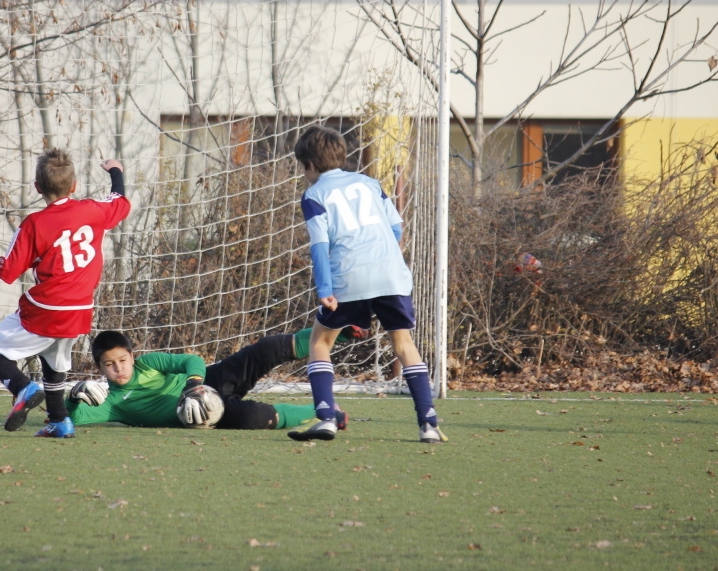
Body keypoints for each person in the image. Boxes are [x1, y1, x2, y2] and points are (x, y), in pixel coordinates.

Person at [290, 125, 446, 443]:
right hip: (391, 274)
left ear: (310, 164)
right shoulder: (370, 183)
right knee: (404, 345)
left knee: (320, 343)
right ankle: (428, 424)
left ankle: (326, 418)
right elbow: (396, 229)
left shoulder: (314, 195)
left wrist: (325, 289)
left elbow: (319, 246)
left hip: (348, 277)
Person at [0, 148, 129, 438]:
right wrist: (115, 171)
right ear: (74, 186)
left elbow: (8, 273)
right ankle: (59, 421)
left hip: (46, 308)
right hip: (80, 309)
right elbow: (120, 200)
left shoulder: (34, 224)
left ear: (37, 188)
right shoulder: (94, 210)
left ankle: (22, 387)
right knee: (54, 362)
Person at [66, 326, 367, 430]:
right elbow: (77, 419)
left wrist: (194, 384)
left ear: (132, 356)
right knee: (255, 418)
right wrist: (72, 398)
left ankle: (334, 333)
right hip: (208, 415)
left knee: (264, 349)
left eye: (122, 360)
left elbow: (191, 360)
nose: (118, 368)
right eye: (109, 365)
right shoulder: (114, 403)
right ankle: (325, 411)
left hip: (212, 380)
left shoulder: (149, 364)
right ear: (100, 369)